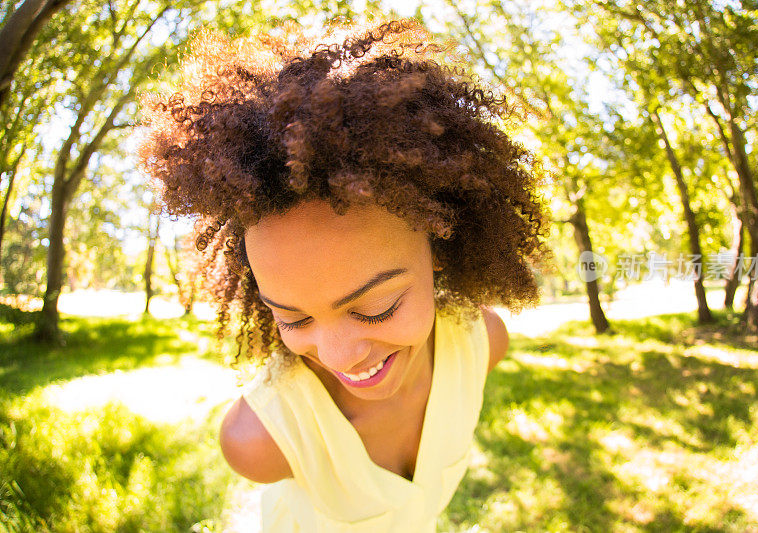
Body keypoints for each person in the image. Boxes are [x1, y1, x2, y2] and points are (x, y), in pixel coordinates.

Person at [139, 19, 547, 532]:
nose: (337, 357)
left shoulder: (482, 342)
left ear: (439, 246)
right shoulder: (261, 441)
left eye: (376, 307)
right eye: (293, 318)